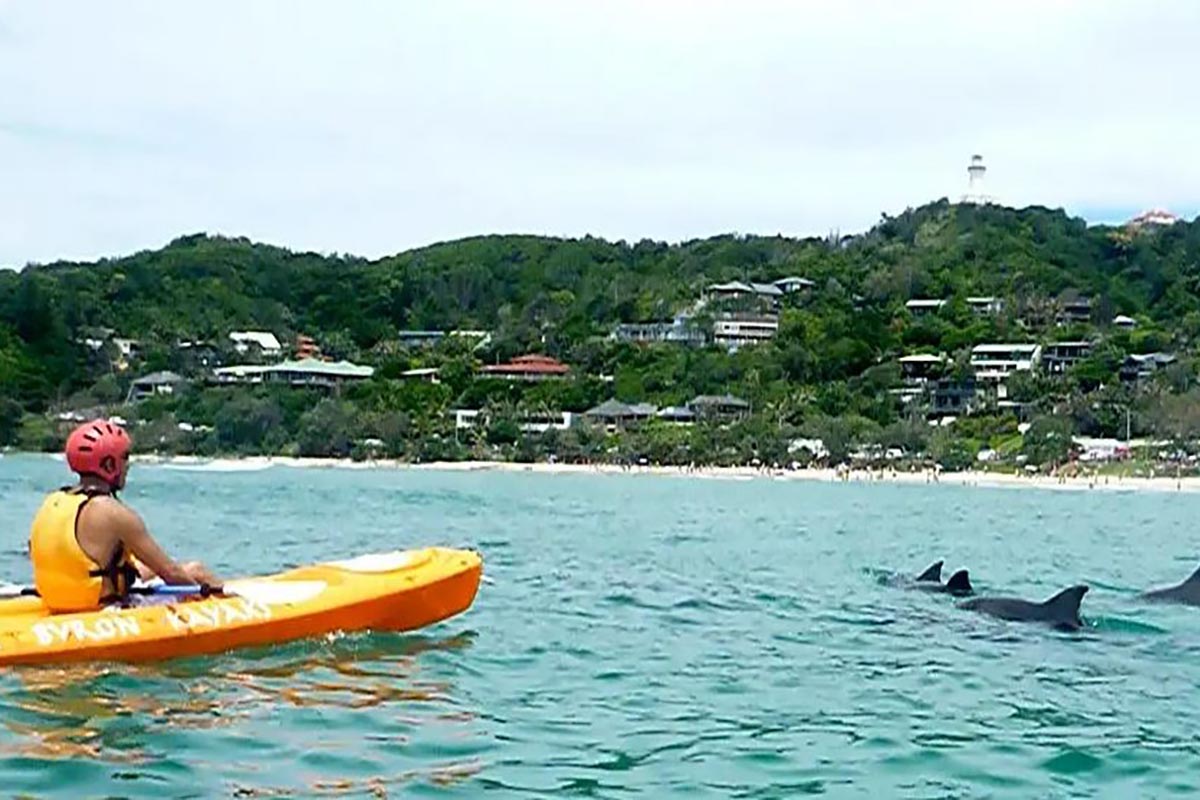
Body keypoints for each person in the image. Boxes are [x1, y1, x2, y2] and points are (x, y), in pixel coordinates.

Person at [28, 418, 219, 612]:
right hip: (100, 609)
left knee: (150, 569)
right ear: (109, 465)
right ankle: (239, 617)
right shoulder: (112, 511)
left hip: (58, 603)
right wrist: (198, 595)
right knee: (195, 570)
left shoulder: (53, 501)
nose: (128, 465)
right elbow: (172, 574)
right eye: (125, 457)